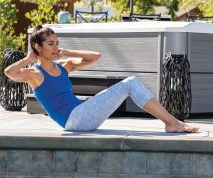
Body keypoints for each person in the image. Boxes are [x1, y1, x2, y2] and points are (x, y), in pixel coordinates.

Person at [4, 25, 199, 133]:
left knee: (130, 84)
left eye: (57, 43)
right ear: (38, 47)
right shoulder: (35, 73)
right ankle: (173, 123)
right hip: (75, 119)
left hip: (82, 115)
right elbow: (9, 73)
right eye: (50, 44)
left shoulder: (63, 67)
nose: (55, 47)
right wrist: (27, 59)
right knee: (130, 83)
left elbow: (96, 57)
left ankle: (172, 122)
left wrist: (67, 52)